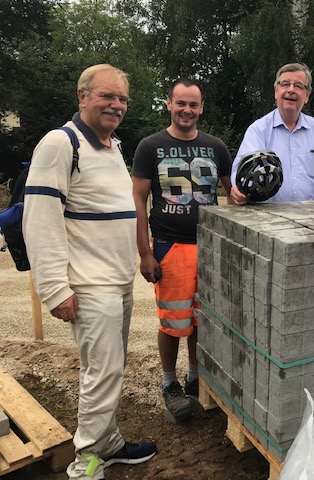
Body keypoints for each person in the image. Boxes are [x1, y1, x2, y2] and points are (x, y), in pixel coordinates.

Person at [22, 64, 156, 479]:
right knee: (103, 373)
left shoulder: (111, 145)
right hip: (90, 284)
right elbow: (40, 220)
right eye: (106, 96)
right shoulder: (61, 144)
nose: (115, 105)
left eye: (122, 99)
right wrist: (55, 290)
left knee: (109, 369)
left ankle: (109, 442)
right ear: (82, 97)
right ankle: (85, 466)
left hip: (117, 282)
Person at [132, 79, 232, 423]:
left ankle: (194, 376)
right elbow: (138, 200)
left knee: (201, 319)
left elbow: (233, 194)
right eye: (181, 104)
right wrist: (145, 253)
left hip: (209, 245)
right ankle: (169, 382)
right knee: (172, 321)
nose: (187, 110)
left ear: (201, 108)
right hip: (169, 246)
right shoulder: (150, 146)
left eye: (193, 105)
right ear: (169, 104)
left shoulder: (216, 147)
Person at [229, 63, 314, 205]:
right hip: (266, 217)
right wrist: (239, 190)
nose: (291, 90)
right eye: (285, 84)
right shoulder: (258, 130)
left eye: (298, 86)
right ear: (276, 91)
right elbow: (243, 168)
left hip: (311, 218)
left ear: (307, 95)